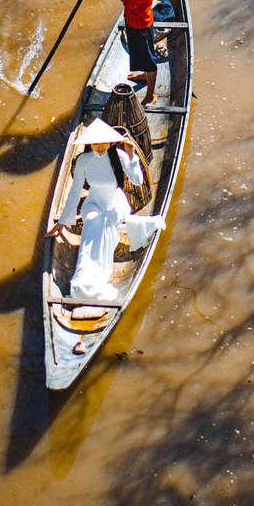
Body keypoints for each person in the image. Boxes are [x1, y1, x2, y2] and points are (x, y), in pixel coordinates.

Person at [45, 119, 166, 354]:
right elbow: (74, 191)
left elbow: (139, 181)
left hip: (115, 202)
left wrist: (131, 155)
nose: (101, 147)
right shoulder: (83, 160)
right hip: (92, 203)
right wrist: (62, 223)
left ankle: (99, 281)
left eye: (104, 143)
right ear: (90, 143)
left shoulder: (118, 156)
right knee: (91, 223)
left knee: (108, 223)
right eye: (96, 143)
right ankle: (83, 282)